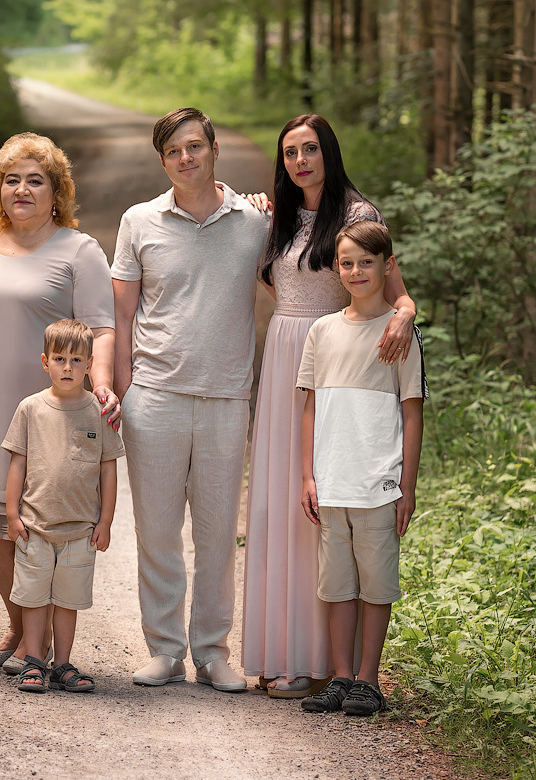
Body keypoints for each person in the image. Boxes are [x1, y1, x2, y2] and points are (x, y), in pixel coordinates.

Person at [243, 114, 419, 698]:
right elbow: (272, 278)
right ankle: (283, 649)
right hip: (288, 355)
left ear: (329, 153)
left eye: (311, 149)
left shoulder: (358, 215)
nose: (301, 161)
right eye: (291, 151)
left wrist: (407, 314)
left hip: (339, 362)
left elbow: (396, 289)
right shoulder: (279, 214)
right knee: (282, 506)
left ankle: (324, 663)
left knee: (319, 518)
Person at [110, 107, 268, 692]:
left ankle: (213, 651)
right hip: (155, 395)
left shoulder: (253, 222)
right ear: (163, 160)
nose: (186, 158)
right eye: (174, 151)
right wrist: (121, 390)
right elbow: (121, 314)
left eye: (195, 146)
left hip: (227, 397)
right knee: (156, 530)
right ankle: (164, 649)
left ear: (214, 149)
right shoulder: (138, 221)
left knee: (218, 532)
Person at [0, 132, 118, 673]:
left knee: (47, 524)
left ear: (57, 191)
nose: (22, 189)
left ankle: (40, 641)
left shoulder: (79, 249)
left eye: (36, 180)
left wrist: (101, 384)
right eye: (11, 179)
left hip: (54, 409)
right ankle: (22, 631)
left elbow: (102, 326)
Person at [296, 221, 425, 716]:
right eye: (346, 263)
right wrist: (309, 475)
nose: (356, 271)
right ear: (336, 268)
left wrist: (405, 487)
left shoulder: (399, 332)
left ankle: (368, 680)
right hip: (332, 481)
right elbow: (310, 408)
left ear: (387, 266)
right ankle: (340, 676)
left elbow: (412, 412)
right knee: (337, 585)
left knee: (375, 584)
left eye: (366, 262)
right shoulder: (322, 330)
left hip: (379, 482)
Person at [4, 319, 122, 695]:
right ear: (45, 362)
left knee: (67, 600)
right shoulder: (30, 409)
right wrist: (11, 515)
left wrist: (105, 521)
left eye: (76, 359)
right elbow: (17, 464)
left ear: (90, 364)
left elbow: (108, 469)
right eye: (59, 358)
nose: (67, 367)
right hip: (35, 526)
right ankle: (33, 661)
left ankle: (62, 665)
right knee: (35, 598)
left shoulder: (99, 412)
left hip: (79, 531)